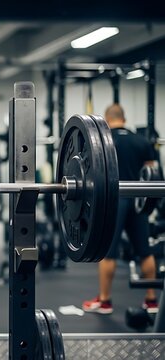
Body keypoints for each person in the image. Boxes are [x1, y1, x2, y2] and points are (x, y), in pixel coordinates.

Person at [83, 104, 159, 314]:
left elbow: (93, 172)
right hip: (138, 200)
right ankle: (152, 300)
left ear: (107, 119)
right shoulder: (141, 141)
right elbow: (151, 174)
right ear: (124, 119)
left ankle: (105, 301)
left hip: (114, 200)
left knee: (108, 252)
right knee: (145, 251)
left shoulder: (104, 143)